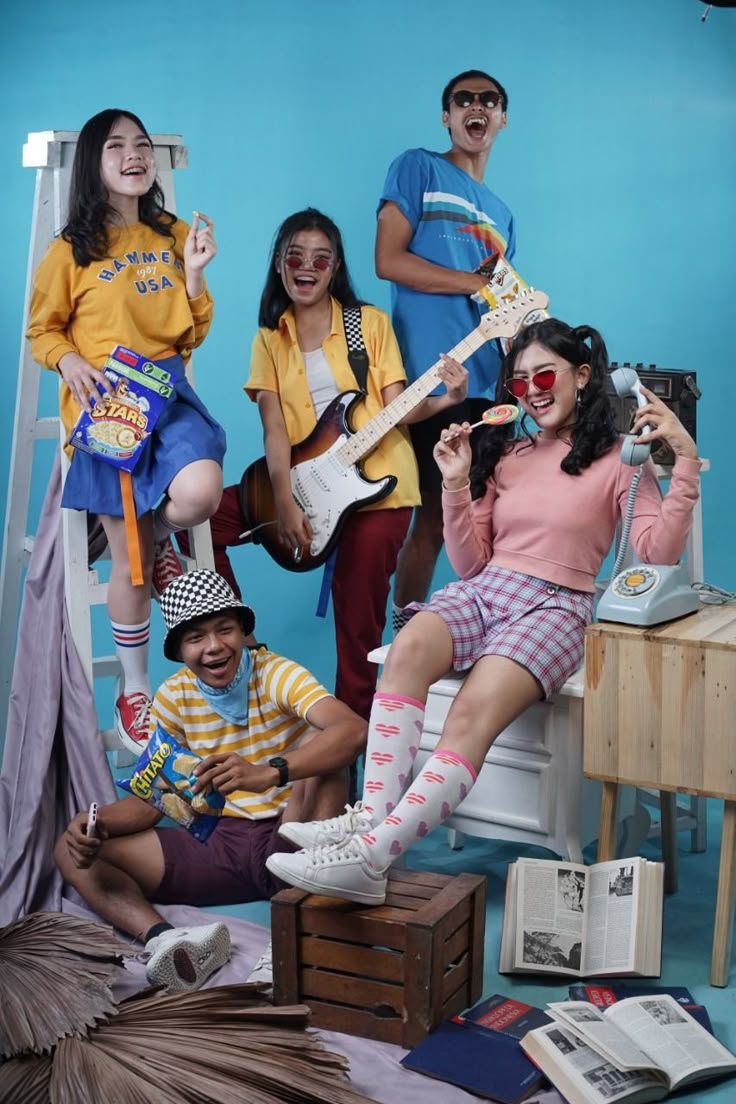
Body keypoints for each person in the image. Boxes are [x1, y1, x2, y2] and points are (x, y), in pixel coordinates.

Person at [265, 318, 702, 905]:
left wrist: (685, 458)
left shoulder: (620, 462)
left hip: (556, 605)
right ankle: (368, 820)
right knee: (410, 647)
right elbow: (470, 565)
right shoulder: (507, 451)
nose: (533, 390)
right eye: (519, 383)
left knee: (469, 714)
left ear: (582, 375)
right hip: (487, 589)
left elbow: (658, 552)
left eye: (544, 374)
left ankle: (372, 858)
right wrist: (454, 482)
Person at [180, 208, 467, 728]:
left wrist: (448, 399)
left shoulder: (368, 325)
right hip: (300, 482)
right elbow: (273, 429)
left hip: (379, 492)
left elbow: (400, 407)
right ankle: (240, 641)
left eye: (320, 258)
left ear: (335, 268)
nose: (306, 267)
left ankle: (349, 760)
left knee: (357, 630)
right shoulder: (269, 338)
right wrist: (284, 500)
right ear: (279, 265)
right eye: (295, 256)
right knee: (194, 522)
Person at [54, 568, 367, 991]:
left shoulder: (276, 673)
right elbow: (156, 800)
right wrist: (96, 824)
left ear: (242, 632)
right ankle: (170, 941)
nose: (214, 646)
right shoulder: (173, 697)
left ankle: (299, 929)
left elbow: (354, 730)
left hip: (294, 833)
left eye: (225, 630)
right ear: (180, 650)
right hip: (221, 844)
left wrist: (270, 772)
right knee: (69, 852)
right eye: (196, 637)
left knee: (326, 745)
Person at [26, 108, 226, 753]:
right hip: (108, 404)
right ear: (94, 163)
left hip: (166, 390)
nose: (135, 155)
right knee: (134, 565)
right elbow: (40, 331)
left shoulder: (171, 233)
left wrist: (194, 274)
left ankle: (151, 527)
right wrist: (72, 359)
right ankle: (135, 691)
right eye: (117, 146)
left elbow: (192, 332)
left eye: (142, 145)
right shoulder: (70, 249)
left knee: (201, 493)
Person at [375, 69, 515, 626]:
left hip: (492, 384)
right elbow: (388, 260)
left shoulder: (503, 214)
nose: (475, 107)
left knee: (490, 519)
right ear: (447, 116)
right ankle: (408, 636)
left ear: (502, 118)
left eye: (489, 100)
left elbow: (499, 301)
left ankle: (485, 633)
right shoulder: (418, 167)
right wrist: (475, 284)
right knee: (434, 518)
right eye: (464, 99)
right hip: (433, 382)